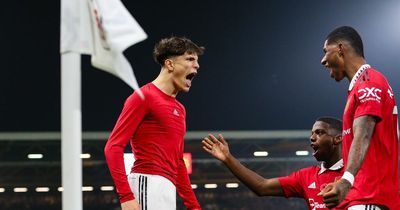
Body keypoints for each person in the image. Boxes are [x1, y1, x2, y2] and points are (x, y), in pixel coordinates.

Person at [104, 36, 204, 210]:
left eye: (197, 61)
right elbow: (113, 146)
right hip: (146, 182)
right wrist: (126, 196)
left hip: (167, 189)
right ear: (170, 64)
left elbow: (177, 162)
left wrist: (193, 206)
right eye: (190, 59)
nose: (197, 65)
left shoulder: (180, 109)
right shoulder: (143, 97)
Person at [318, 26, 399, 210]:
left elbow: (363, 135)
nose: (323, 60)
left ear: (340, 48)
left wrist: (347, 180)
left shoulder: (368, 83)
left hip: (370, 200)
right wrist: (342, 180)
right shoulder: (363, 85)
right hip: (367, 198)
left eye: (325, 51)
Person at [202, 117, 344, 210]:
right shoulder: (305, 176)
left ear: (338, 139)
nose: (312, 138)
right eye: (312, 133)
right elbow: (262, 187)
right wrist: (228, 158)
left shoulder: (358, 172)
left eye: (319, 133)